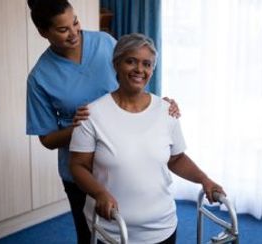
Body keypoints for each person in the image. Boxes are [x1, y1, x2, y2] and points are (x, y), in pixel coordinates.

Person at [26, 1, 179, 243]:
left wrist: (159, 105)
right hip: (83, 171)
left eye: (75, 22)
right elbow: (46, 139)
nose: (74, 33)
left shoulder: (106, 43)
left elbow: (135, 74)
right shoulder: (40, 77)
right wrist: (81, 127)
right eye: (63, 30)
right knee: (92, 237)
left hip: (127, 161)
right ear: (44, 32)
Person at [69, 33, 225, 244]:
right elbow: (78, 166)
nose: (139, 70)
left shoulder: (167, 111)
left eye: (147, 64)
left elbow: (177, 159)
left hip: (161, 226)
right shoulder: (92, 114)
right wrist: (99, 193)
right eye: (130, 61)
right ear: (117, 64)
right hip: (112, 229)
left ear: (152, 69)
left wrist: (204, 179)